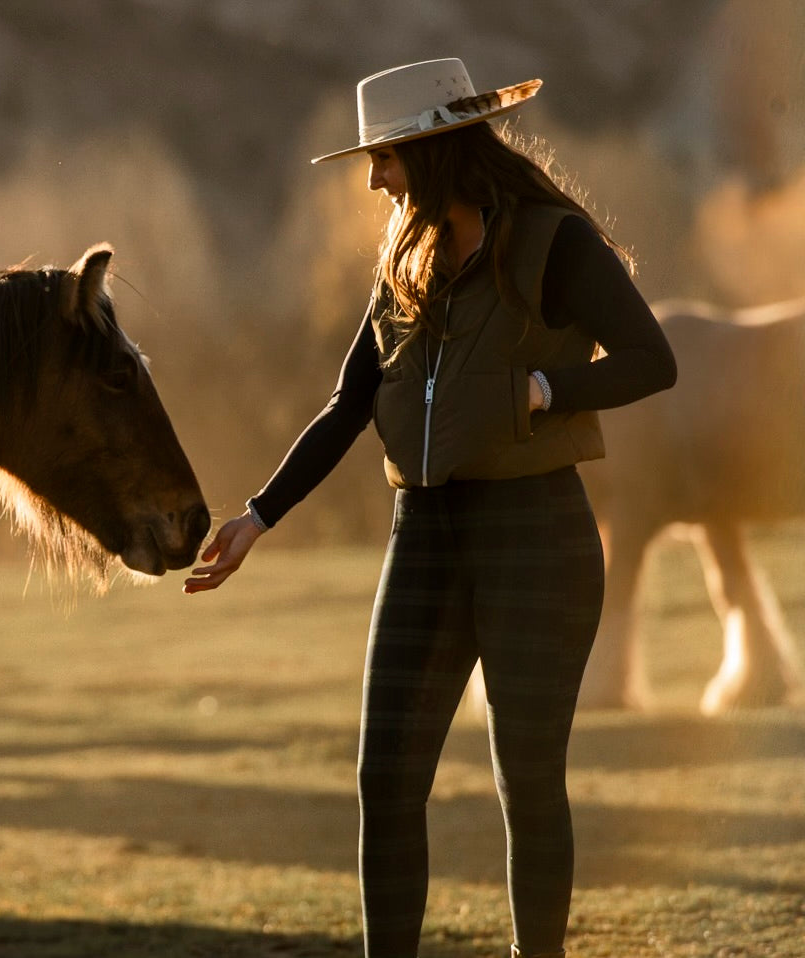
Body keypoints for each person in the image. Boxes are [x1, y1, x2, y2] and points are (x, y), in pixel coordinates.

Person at [184, 58, 677, 958]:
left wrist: (545, 388)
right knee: (386, 776)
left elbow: (653, 359)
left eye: (388, 157)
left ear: (437, 147)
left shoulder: (554, 242)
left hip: (537, 534)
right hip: (426, 536)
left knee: (526, 782)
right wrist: (257, 517)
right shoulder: (404, 257)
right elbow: (347, 406)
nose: (374, 178)